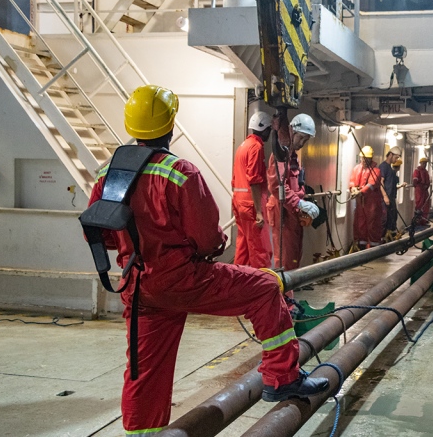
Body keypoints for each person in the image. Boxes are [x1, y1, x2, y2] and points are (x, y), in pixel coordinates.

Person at [87, 86, 327, 434]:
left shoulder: (107, 172)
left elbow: (100, 233)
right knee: (264, 286)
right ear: (171, 127)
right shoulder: (180, 172)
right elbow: (209, 239)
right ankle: (281, 377)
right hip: (184, 279)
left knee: (143, 371)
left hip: (138, 287)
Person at [266, 113, 319, 272]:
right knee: (285, 260)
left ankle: (290, 295)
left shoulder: (293, 157)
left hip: (293, 213)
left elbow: (297, 184)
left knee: (295, 257)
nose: (302, 143)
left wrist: (302, 203)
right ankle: (283, 296)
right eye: (301, 138)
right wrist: (298, 203)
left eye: (306, 140)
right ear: (292, 132)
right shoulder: (281, 156)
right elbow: (277, 186)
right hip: (282, 212)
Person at [231, 111, 273, 268]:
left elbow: (236, 178)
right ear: (266, 129)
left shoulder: (243, 146)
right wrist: (259, 212)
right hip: (251, 205)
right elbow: (254, 180)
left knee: (243, 249)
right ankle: (262, 289)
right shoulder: (255, 147)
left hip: (239, 202)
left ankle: (238, 285)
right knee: (260, 250)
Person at [349, 145, 384, 249]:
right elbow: (352, 181)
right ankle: (361, 245)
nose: (364, 160)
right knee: (360, 223)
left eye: (366, 158)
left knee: (373, 223)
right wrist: (353, 188)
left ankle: (374, 246)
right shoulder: (356, 169)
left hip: (372, 202)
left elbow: (371, 184)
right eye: (363, 158)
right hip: (361, 202)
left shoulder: (376, 171)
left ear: (371, 158)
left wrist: (361, 192)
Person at [378, 146, 402, 239]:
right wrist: (385, 196)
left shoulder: (389, 168)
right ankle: (381, 238)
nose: (396, 160)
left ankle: (389, 236)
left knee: (392, 217)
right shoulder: (383, 167)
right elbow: (381, 181)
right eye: (396, 157)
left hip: (391, 197)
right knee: (384, 219)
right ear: (390, 155)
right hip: (386, 198)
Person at [412, 157, 431, 226]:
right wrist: (416, 184)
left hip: (425, 190)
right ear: (420, 163)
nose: (425, 164)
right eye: (423, 163)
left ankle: (424, 220)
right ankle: (418, 220)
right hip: (419, 190)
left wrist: (427, 186)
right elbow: (415, 180)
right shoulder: (417, 171)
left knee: (426, 204)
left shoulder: (426, 172)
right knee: (419, 204)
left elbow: (428, 181)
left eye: (425, 163)